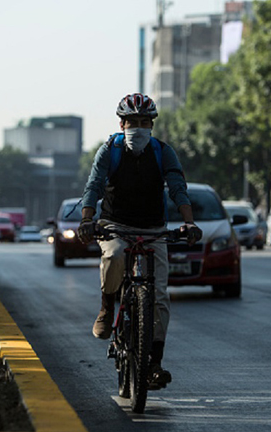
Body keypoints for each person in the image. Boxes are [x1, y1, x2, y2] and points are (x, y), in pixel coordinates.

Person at [77, 93, 202, 390]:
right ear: (122, 124)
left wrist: (189, 222)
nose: (139, 128)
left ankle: (153, 364)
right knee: (115, 256)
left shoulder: (163, 152)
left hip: (154, 229)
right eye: (133, 122)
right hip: (115, 225)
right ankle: (108, 306)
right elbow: (93, 186)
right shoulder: (110, 150)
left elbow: (177, 187)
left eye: (145, 122)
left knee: (159, 297)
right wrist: (86, 219)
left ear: (152, 126)